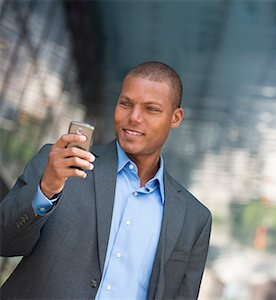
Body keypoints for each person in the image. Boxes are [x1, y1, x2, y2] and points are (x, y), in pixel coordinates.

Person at [0, 61, 212, 299]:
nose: (134, 117)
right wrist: (47, 188)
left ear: (176, 118)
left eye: (151, 109)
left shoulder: (194, 219)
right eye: (125, 103)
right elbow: (4, 242)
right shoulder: (62, 165)